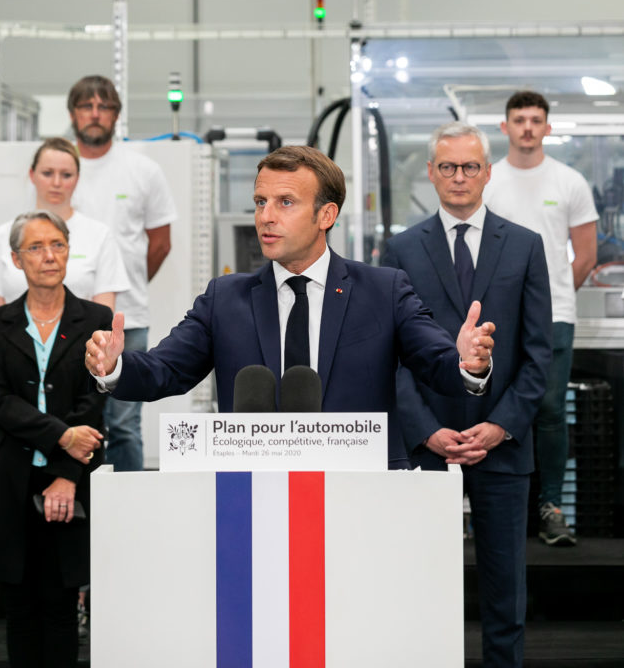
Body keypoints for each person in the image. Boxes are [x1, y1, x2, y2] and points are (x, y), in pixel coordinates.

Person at [85, 146, 495, 469]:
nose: (265, 216)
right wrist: (115, 366)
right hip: (254, 493)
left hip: (362, 490)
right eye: (260, 201)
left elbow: (436, 364)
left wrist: (468, 363)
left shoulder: (383, 290)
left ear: (326, 215)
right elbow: (165, 371)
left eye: (285, 202)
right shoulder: (225, 298)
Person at [382, 123, 552, 668]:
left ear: (488, 172)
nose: (460, 177)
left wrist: (501, 425)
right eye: (449, 167)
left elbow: (538, 353)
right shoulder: (401, 250)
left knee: (505, 591)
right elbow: (390, 356)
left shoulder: (525, 246)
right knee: (420, 583)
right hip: (427, 447)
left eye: (470, 166)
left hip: (502, 445)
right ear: (431, 173)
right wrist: (425, 430)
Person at [0, 211, 110, 668]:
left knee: (60, 604)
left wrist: (67, 474)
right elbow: (0, 401)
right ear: (16, 259)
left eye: (58, 245)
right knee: (19, 608)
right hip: (8, 477)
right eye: (36, 247)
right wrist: (62, 435)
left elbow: (94, 402)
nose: (49, 256)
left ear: (69, 251)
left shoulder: (95, 318)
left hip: (71, 477)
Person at [484, 90, 598, 546]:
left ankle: (551, 509)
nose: (527, 127)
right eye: (519, 119)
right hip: (497, 320)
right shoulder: (489, 182)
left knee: (549, 412)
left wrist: (547, 303)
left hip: (556, 317)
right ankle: (493, 509)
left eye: (535, 120)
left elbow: (585, 256)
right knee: (496, 410)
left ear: (547, 127)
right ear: (505, 127)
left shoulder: (569, 182)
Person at [67, 75, 177, 472]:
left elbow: (160, 243)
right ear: (73, 114)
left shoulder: (142, 170)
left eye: (105, 106)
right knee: (68, 423)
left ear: (116, 114)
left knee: (125, 426)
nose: (95, 114)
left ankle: (128, 507)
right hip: (63, 320)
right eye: (87, 106)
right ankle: (75, 505)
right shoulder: (61, 169)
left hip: (126, 319)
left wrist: (118, 286)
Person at [0, 137, 129, 312]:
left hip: (84, 331)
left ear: (77, 178)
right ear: (32, 175)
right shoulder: (4, 235)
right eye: (47, 173)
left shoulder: (99, 236)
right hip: (15, 331)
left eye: (66, 175)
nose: (56, 183)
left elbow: (104, 314)